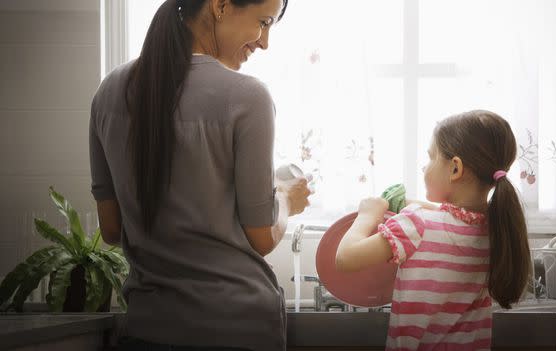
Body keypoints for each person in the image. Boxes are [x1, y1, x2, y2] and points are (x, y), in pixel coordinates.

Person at [89, 0, 310, 350]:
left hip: (148, 329)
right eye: (263, 22)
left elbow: (111, 230)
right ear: (220, 5)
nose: (265, 41)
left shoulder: (108, 92)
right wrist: (286, 199)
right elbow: (263, 238)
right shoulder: (247, 97)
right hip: (237, 328)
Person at [335, 110, 531, 350]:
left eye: (430, 158)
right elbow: (450, 215)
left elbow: (345, 258)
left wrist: (367, 215)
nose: (424, 167)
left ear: (455, 169)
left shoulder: (416, 224)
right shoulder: (496, 228)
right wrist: (409, 204)